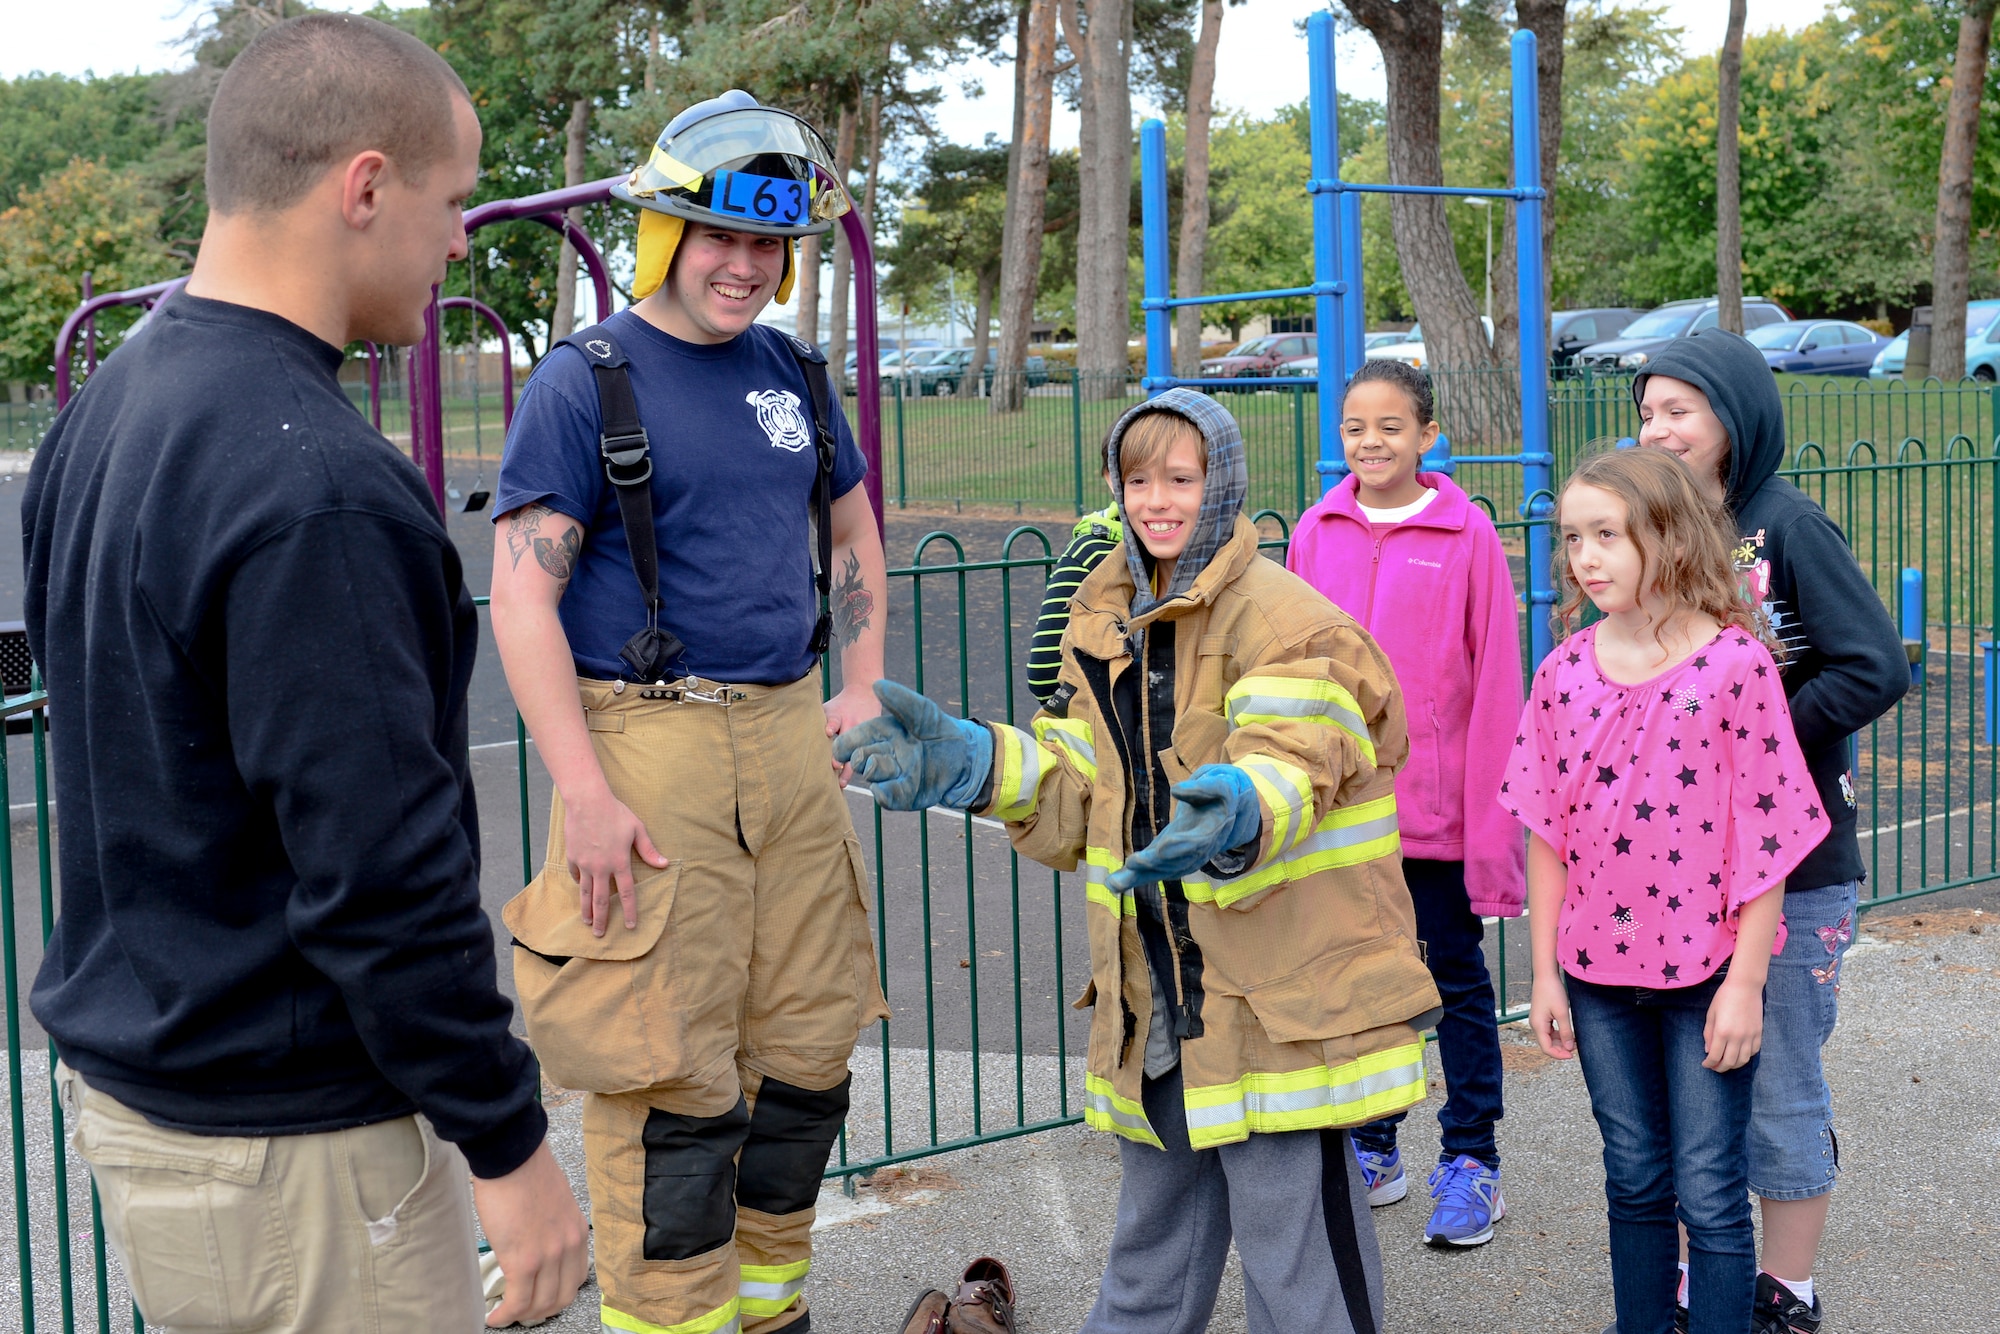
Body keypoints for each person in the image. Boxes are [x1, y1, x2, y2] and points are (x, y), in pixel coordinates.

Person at [21, 15, 589, 1331]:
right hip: (294, 1149)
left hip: (160, 1104)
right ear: (367, 186)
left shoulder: (108, 407)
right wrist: (509, 1150)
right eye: (453, 201)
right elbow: (382, 877)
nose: (462, 240)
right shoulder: (318, 485)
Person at [838, 388, 1442, 1334]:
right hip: (1158, 996)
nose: (1158, 499)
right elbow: (1084, 776)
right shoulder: (1108, 611)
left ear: (1225, 483)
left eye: (1183, 478)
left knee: (1297, 1258)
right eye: (1137, 478)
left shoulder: (1289, 621)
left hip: (1277, 999)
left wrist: (1242, 807)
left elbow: (1298, 754)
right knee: (1152, 1245)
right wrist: (975, 763)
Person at [488, 89, 891, 1334]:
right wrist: (588, 794)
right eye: (721, 239)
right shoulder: (585, 379)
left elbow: (853, 536)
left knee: (805, 1053)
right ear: (668, 236)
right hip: (646, 744)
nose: (746, 267)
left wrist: (862, 681)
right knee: (670, 1070)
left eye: (768, 247)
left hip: (784, 741)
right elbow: (519, 600)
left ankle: (768, 1308)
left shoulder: (792, 372)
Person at [1510, 447, 1828, 1334]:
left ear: (1670, 534)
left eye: (1608, 534)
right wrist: (1542, 975)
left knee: (1711, 1191)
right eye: (1574, 537)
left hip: (1706, 978)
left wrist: (1747, 986)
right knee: (1635, 1178)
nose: (1587, 557)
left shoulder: (1736, 668)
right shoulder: (1563, 671)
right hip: (1598, 980)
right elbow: (1545, 832)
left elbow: (1767, 844)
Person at [1633, 331, 1908, 1334]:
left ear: (1734, 419)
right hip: (1669, 874)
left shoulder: (1784, 528)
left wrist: (1752, 731)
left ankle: (1784, 1289)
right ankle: (1681, 1277)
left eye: (1679, 410)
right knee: (1676, 1087)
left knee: (1777, 1082)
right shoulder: (1646, 529)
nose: (1657, 428)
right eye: (1647, 410)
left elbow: (1873, 664)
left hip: (1792, 870)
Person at [1286, 359, 1523, 1247]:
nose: (1370, 442)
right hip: (1344, 821)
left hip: (1437, 823)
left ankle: (1472, 1160)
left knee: (1452, 987)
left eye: (1390, 426)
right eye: (1354, 426)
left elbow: (1494, 684)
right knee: (1358, 989)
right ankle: (1375, 1143)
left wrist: (1489, 834)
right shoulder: (1316, 531)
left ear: (1429, 436)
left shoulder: (1467, 537)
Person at [1027, 442, 1122, 706]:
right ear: (1112, 479)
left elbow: (1044, 677)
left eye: (1178, 479)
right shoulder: (1092, 552)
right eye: (1139, 478)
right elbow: (1045, 676)